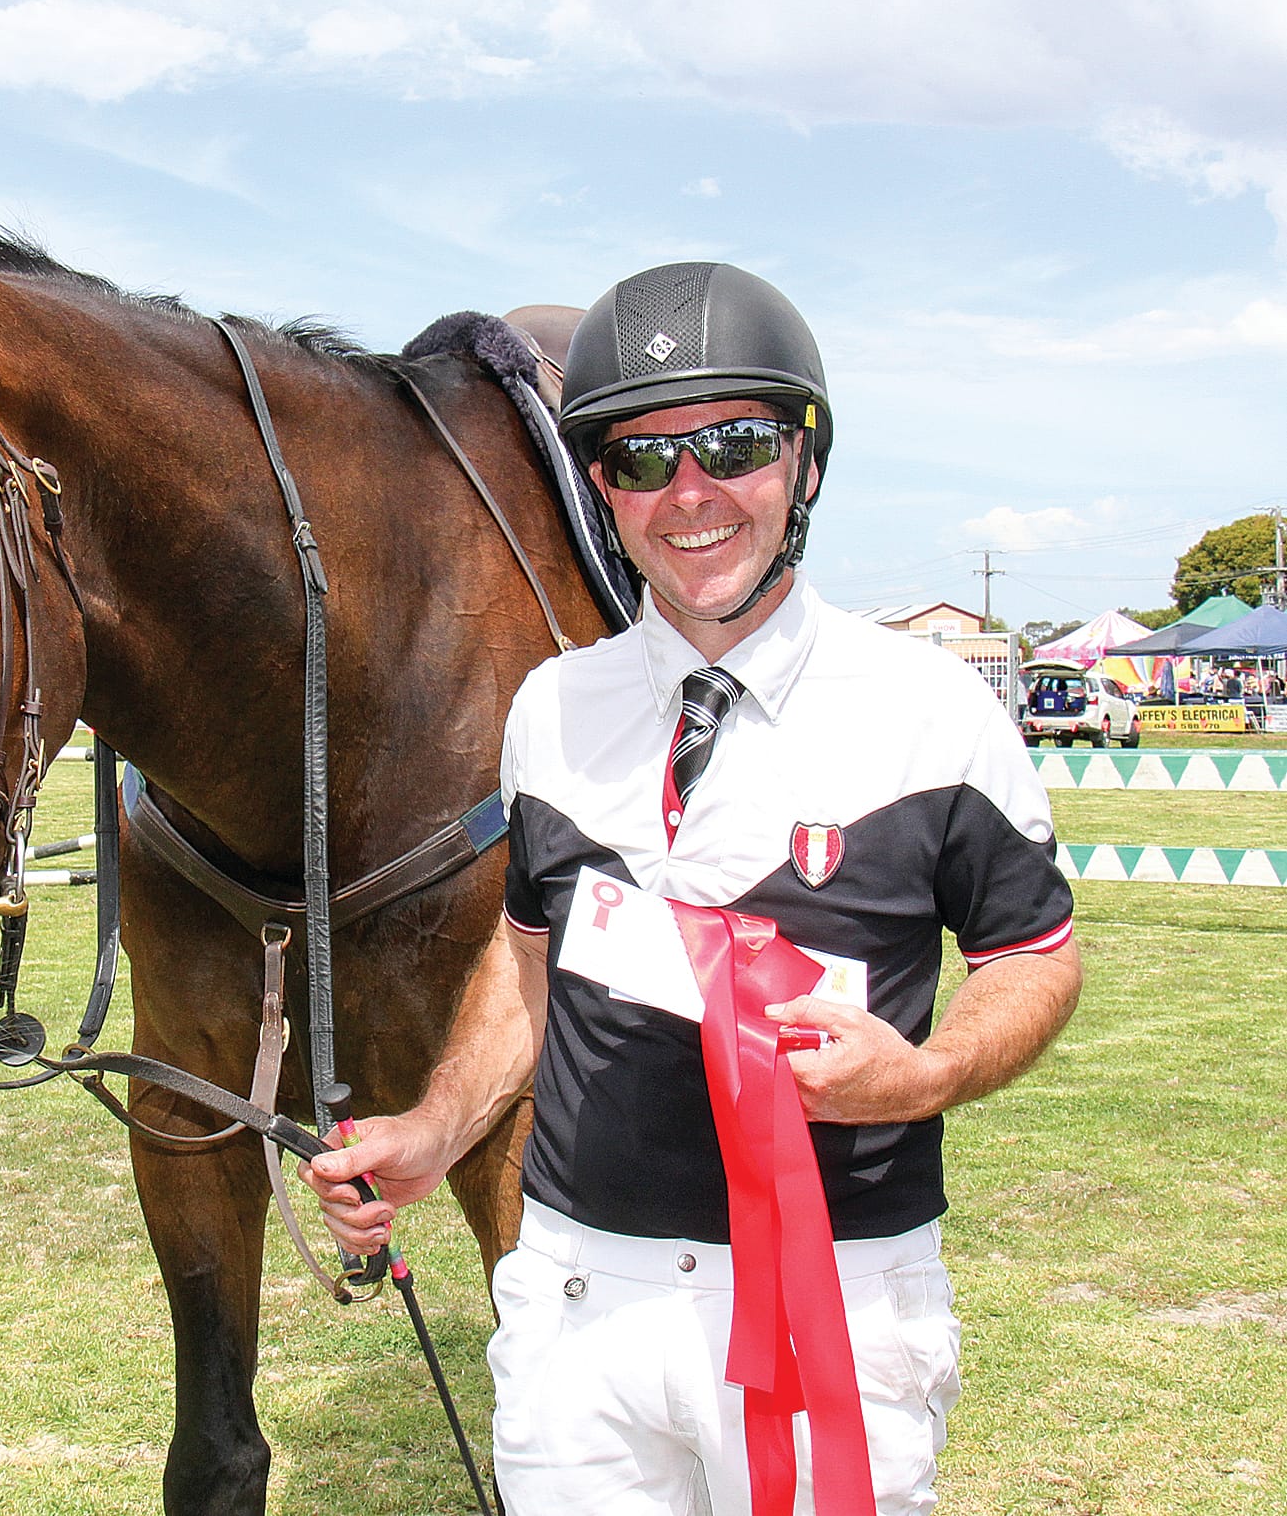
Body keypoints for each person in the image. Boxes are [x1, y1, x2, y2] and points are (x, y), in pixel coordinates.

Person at [306, 262, 1082, 1515]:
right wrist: (434, 1129)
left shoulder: (931, 710)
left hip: (830, 1300)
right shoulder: (554, 704)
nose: (689, 493)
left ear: (805, 466)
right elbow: (525, 964)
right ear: (599, 491)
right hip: (574, 1299)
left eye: (733, 444)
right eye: (637, 457)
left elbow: (1034, 954)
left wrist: (925, 1075)